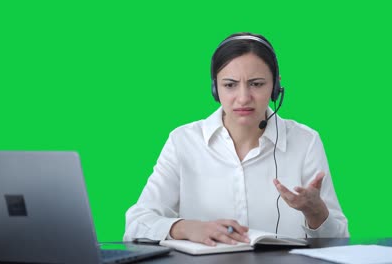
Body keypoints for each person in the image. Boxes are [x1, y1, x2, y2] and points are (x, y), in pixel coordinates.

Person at [124, 32, 349, 246]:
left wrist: (316, 212)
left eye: (257, 84)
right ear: (215, 88)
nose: (243, 98)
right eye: (230, 85)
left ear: (275, 87)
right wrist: (186, 228)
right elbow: (135, 224)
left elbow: (340, 240)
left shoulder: (305, 141)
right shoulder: (182, 141)